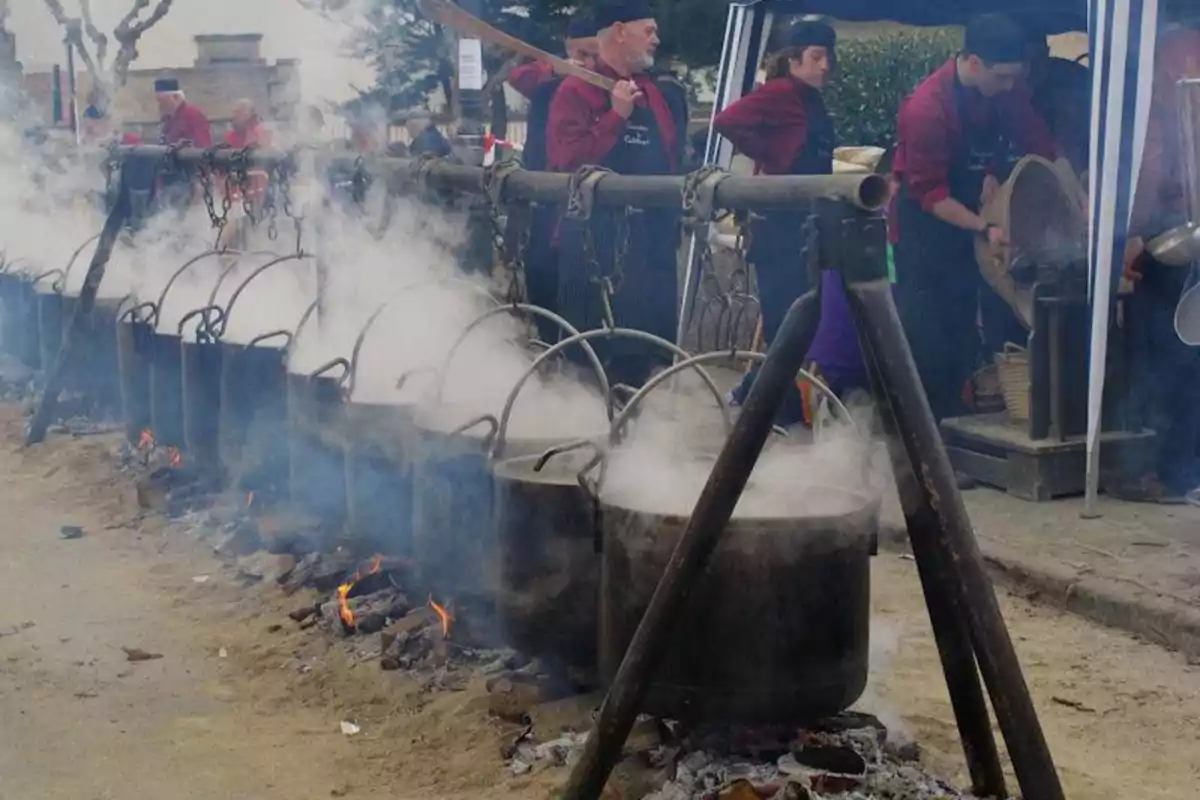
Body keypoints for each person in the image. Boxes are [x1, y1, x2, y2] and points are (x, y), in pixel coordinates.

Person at [890, 14, 1057, 427]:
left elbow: (1042, 144)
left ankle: (951, 420)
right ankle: (920, 439)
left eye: (1013, 79)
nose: (1008, 87)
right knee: (929, 333)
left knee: (964, 327)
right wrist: (986, 228)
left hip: (970, 216)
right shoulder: (926, 108)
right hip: (924, 231)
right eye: (1001, 78)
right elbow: (930, 195)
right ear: (974, 62)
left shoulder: (1005, 91)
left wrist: (1081, 195)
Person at [714, 20, 868, 426]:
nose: (824, 67)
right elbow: (727, 121)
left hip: (807, 225)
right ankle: (775, 415)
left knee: (803, 323)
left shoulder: (812, 99)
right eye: (816, 58)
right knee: (788, 324)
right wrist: (774, 158)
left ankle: (766, 400)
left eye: (827, 59)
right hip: (780, 229)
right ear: (792, 59)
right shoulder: (780, 92)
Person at [547, 0, 687, 387]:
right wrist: (616, 116)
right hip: (593, 247)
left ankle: (641, 441)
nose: (656, 39)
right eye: (649, 30)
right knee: (587, 365)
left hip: (652, 247)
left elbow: (672, 162)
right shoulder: (575, 90)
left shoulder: (657, 94)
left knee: (649, 358)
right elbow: (568, 161)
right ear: (621, 31)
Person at [1116, 22, 1200, 502]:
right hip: (1172, 240)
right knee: (1175, 357)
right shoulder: (1159, 106)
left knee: (1175, 358)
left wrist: (1132, 235)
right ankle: (1172, 470)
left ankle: (1173, 471)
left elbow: (1153, 170)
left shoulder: (1174, 106)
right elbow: (1151, 170)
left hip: (1176, 243)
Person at [154, 78, 212, 211]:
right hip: (171, 181)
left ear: (175, 97)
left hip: (189, 180)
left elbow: (203, 147)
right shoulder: (167, 120)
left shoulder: (193, 115)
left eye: (162, 101)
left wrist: (201, 181)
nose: (160, 105)